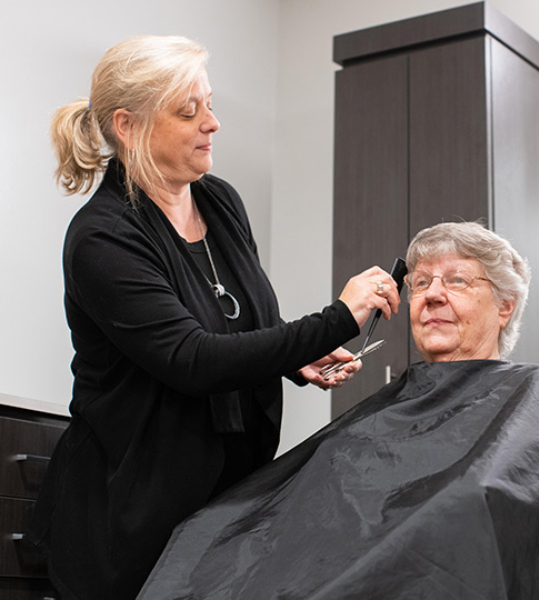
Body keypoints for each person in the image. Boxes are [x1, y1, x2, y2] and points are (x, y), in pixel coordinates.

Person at [137, 222, 539, 600]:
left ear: (505, 306)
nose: (432, 294)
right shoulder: (389, 408)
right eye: (422, 283)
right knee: (204, 536)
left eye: (457, 280)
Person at [28, 35, 401, 600]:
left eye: (209, 103)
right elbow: (192, 359)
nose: (213, 123)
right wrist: (338, 319)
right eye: (188, 111)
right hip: (130, 523)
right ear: (128, 126)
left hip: (223, 509)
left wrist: (297, 357)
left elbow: (240, 325)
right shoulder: (103, 237)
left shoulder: (220, 202)